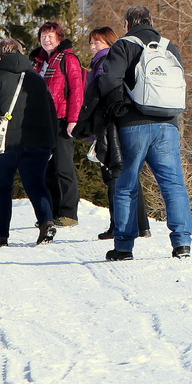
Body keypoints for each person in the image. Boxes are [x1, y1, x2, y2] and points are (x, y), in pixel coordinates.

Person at [96, 5, 192, 260]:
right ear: (151, 21)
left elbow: (108, 80)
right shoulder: (168, 46)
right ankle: (182, 244)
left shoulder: (125, 45)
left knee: (126, 185)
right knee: (173, 185)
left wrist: (114, 109)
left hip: (133, 124)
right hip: (168, 124)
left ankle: (124, 247)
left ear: (127, 24)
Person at [0, 38, 59, 247]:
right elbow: (50, 112)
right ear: (21, 52)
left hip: (3, 143)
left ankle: (1, 236)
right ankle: (46, 222)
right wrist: (51, 141)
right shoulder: (37, 79)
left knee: (2, 188)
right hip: (37, 142)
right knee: (36, 184)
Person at [74, 26, 151, 241]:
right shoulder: (122, 60)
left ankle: (118, 225)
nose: (93, 46)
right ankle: (142, 225)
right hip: (127, 121)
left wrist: (88, 122)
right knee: (128, 172)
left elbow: (100, 94)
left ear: (109, 42)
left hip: (109, 123)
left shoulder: (103, 62)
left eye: (97, 42)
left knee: (113, 171)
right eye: (91, 42)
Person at [30, 21, 84, 227]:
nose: (47, 39)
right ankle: (52, 212)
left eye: (51, 36)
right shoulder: (38, 62)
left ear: (59, 38)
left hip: (62, 119)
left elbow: (76, 91)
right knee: (47, 167)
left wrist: (73, 120)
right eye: (43, 36)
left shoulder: (68, 59)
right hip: (42, 122)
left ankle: (69, 213)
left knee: (63, 166)